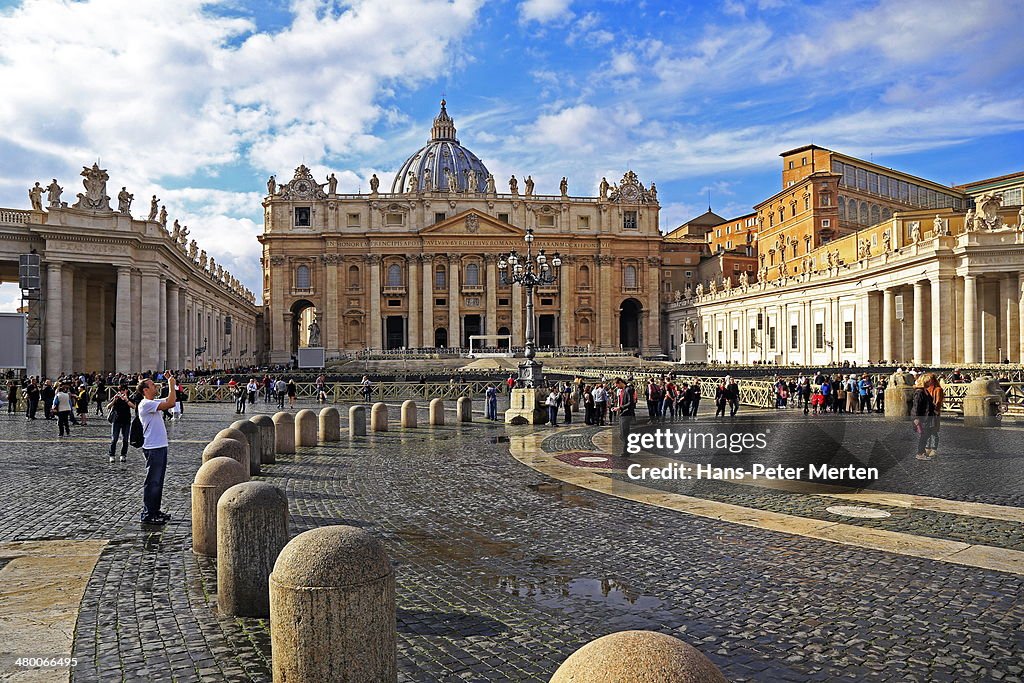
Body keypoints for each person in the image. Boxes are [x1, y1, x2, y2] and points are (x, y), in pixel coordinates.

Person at [137, 373, 176, 525]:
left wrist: (171, 383)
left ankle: (155, 510)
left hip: (160, 446)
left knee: (158, 481)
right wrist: (171, 384)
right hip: (153, 447)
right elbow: (171, 403)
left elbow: (170, 400)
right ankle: (148, 514)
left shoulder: (152, 402)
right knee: (152, 482)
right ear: (145, 390)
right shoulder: (146, 404)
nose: (156, 386)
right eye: (153, 385)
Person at [913, 373, 942, 461]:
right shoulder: (919, 392)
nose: (930, 382)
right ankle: (920, 453)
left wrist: (934, 410)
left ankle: (922, 452)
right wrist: (916, 418)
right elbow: (916, 406)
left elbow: (930, 403)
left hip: (929, 416)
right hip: (923, 417)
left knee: (927, 434)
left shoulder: (925, 391)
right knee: (924, 435)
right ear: (924, 382)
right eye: (928, 381)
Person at [106, 383, 135, 463]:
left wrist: (126, 399)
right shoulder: (116, 398)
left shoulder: (129, 398)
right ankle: (112, 455)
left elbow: (133, 406)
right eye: (120, 390)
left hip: (126, 421)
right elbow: (108, 407)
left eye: (123, 390)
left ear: (126, 390)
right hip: (116, 421)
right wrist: (114, 400)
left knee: (125, 439)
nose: (121, 392)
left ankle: (123, 454)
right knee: (114, 439)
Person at [611, 378, 636, 457]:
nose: (617, 387)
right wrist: (617, 407)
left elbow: (630, 402)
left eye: (617, 385)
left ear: (620, 382)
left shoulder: (628, 390)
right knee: (623, 434)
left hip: (626, 414)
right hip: (622, 413)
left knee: (625, 434)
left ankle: (626, 451)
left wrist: (620, 407)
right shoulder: (622, 390)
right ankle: (628, 449)